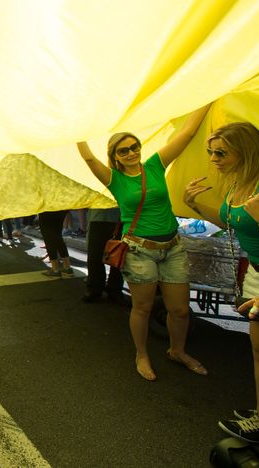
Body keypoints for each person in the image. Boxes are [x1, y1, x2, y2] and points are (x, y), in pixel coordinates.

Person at [77, 103, 209, 381]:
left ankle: (177, 351)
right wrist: (77, 127)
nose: (131, 153)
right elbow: (88, 158)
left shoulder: (155, 165)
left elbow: (186, 133)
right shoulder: (115, 179)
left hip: (173, 247)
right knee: (143, 308)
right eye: (123, 150)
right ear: (115, 157)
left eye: (134, 147)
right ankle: (142, 355)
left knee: (180, 310)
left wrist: (206, 98)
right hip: (139, 251)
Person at [183, 122, 259, 443]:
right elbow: (232, 222)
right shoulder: (238, 181)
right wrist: (195, 206)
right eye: (211, 152)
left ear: (245, 150)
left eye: (221, 153)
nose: (214, 159)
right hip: (256, 275)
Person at [82, 207, 125, 303]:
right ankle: (95, 288)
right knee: (94, 256)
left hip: (120, 218)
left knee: (118, 256)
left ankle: (114, 289)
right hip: (97, 217)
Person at [38, 210, 74, 278]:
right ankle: (67, 268)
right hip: (61, 209)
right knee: (58, 237)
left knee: (49, 239)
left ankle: (55, 270)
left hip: (47, 210)